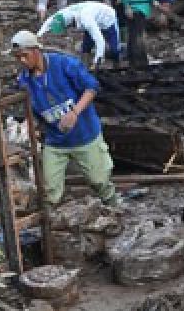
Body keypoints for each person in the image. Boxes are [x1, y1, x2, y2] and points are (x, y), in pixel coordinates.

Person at [10, 30, 118, 207]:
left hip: (85, 135)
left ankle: (114, 208)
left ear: (37, 51)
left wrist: (75, 112)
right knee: (49, 190)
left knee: (100, 181)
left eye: (25, 56)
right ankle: (51, 223)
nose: (22, 61)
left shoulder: (64, 64)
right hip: (55, 141)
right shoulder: (24, 81)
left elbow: (92, 87)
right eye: (18, 57)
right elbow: (32, 111)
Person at [36, 1, 121, 69]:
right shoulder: (64, 13)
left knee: (114, 50)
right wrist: (39, 35)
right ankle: (84, 67)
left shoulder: (86, 20)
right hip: (93, 18)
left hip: (108, 20)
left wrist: (96, 62)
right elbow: (50, 20)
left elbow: (100, 41)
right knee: (85, 48)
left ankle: (116, 66)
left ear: (70, 23)